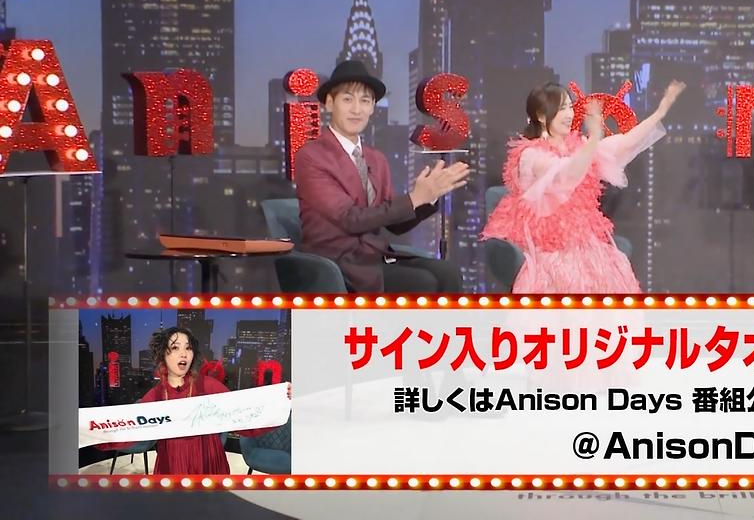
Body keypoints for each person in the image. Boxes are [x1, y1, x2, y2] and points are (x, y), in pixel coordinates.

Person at [481, 80, 686, 293]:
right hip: (545, 243)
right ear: (541, 116)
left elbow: (624, 143)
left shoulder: (579, 147)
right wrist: (594, 139)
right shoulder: (531, 156)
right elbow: (567, 174)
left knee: (611, 271)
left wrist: (660, 111)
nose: (569, 114)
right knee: (569, 277)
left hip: (579, 238)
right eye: (561, 108)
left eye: (569, 107)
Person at [294, 60, 470, 293]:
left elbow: (393, 223)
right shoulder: (311, 156)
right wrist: (413, 199)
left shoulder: (376, 159)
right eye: (347, 99)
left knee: (448, 273)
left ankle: (452, 320)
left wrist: (429, 197)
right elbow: (350, 219)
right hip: (337, 264)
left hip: (375, 257)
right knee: (424, 283)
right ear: (329, 103)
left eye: (365, 101)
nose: (357, 109)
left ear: (372, 108)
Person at [98, 327, 290, 475]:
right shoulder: (156, 395)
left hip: (209, 464)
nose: (183, 353)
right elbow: (130, 430)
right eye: (175, 348)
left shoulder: (210, 386)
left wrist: (282, 401)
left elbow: (244, 419)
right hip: (170, 465)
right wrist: (93, 434)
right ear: (163, 354)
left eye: (188, 348)